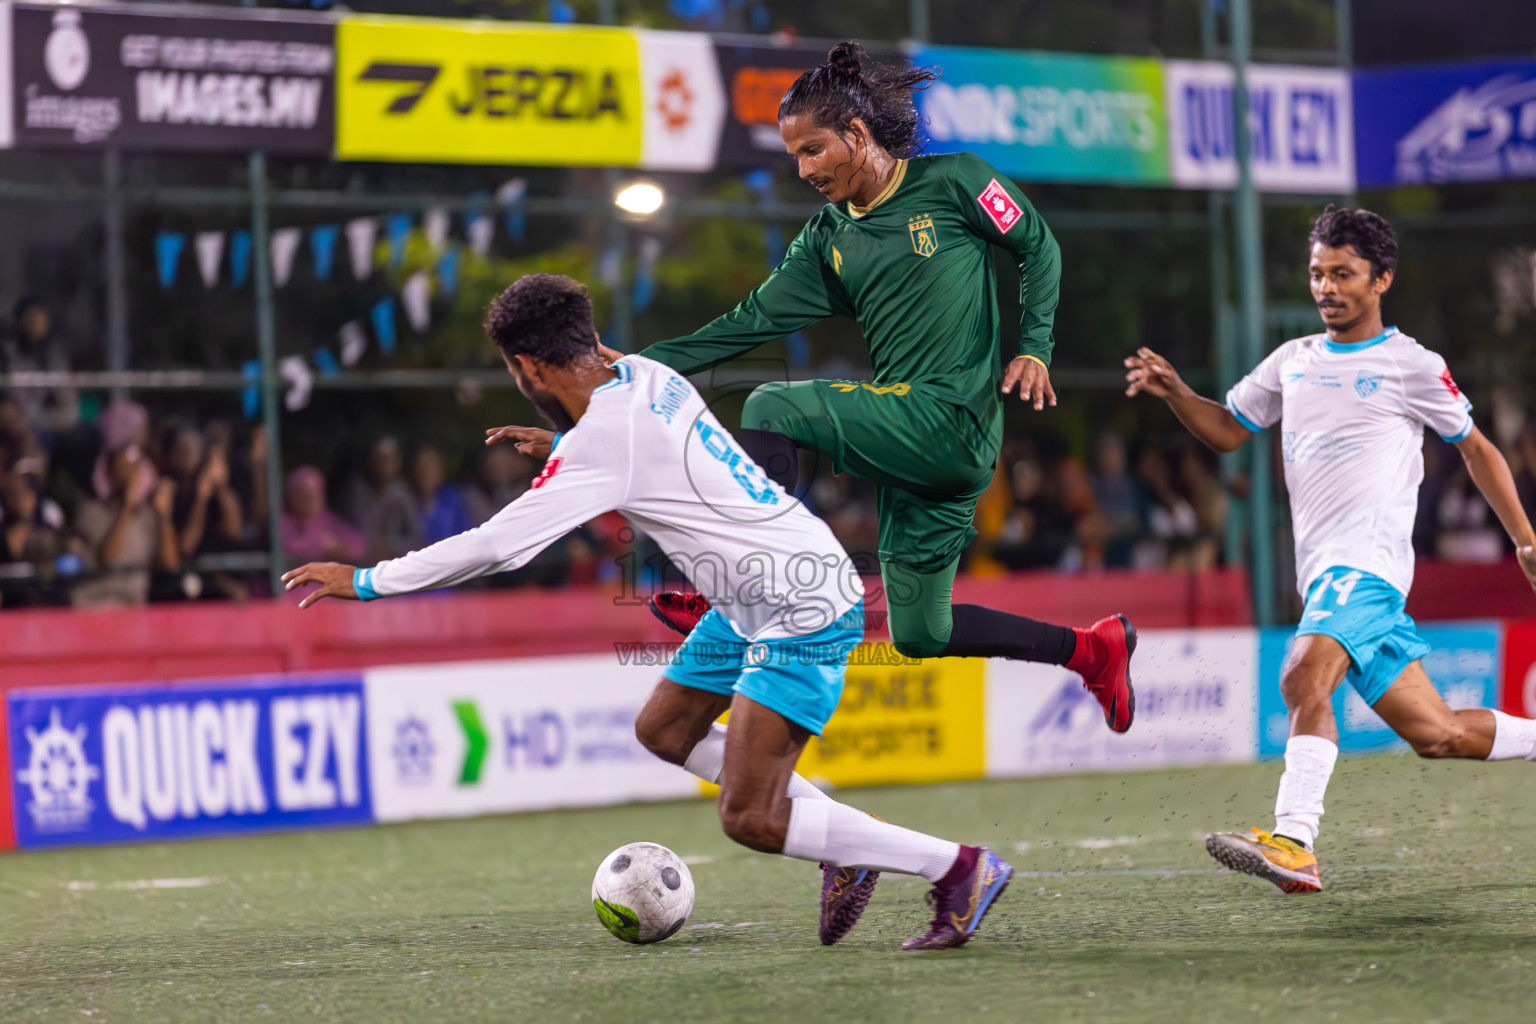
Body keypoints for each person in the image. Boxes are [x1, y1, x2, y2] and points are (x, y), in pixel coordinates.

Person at [283, 274, 1014, 950]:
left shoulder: (601, 444)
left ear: (529, 368)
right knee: (663, 729)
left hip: (800, 603)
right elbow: (631, 444)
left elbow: (499, 546)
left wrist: (370, 579)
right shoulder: (645, 374)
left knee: (750, 818)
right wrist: (565, 445)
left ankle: (958, 867)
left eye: (514, 369)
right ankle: (845, 847)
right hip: (762, 588)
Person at [625, 41, 1136, 734]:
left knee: (771, 403)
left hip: (950, 419)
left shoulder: (956, 181)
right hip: (916, 447)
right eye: (795, 156)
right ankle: (1089, 651)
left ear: (857, 136)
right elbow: (746, 325)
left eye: (813, 151)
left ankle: (732, 588)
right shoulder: (826, 239)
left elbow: (1037, 245)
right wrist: (626, 374)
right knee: (920, 631)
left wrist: (1035, 350)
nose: (803, 170)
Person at [1126, 205, 1536, 893]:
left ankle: (1294, 841)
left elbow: (1476, 447)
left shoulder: (1409, 364)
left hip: (1367, 568)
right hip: (1328, 576)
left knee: (1301, 677)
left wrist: (1525, 539)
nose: (1326, 288)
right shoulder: (1294, 361)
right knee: (1437, 735)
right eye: (1317, 273)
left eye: (1343, 274)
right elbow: (1229, 430)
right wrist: (1175, 393)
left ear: (1382, 280)